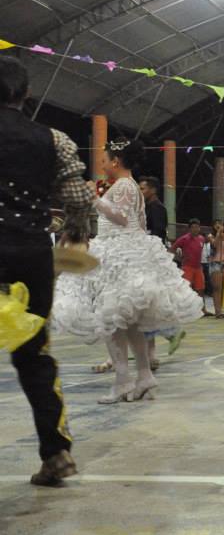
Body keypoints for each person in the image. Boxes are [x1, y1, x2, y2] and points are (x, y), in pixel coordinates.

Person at [0, 55, 94, 486]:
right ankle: (56, 454)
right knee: (34, 355)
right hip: (31, 255)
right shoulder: (54, 140)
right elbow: (79, 200)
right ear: (26, 94)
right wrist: (71, 229)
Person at [50, 140, 203, 403]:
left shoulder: (123, 185)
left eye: (104, 160)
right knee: (128, 322)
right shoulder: (130, 186)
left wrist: (94, 198)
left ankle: (123, 380)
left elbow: (120, 218)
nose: (102, 165)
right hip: (127, 251)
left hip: (119, 253)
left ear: (115, 161)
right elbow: (138, 223)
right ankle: (143, 376)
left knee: (112, 320)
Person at [138, 176, 186, 370]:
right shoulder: (145, 207)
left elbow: (157, 234)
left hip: (152, 259)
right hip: (146, 258)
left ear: (153, 190)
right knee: (146, 306)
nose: (140, 192)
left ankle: (169, 335)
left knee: (151, 304)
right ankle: (162, 341)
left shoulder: (157, 208)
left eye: (143, 188)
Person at [172, 219, 211, 316]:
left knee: (201, 289)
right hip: (187, 267)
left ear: (199, 228)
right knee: (186, 290)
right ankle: (186, 311)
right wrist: (178, 258)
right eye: (193, 227)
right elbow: (172, 249)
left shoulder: (202, 239)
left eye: (197, 227)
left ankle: (203, 310)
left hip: (198, 268)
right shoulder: (184, 238)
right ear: (189, 229)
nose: (195, 229)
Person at [207, 219, 224, 317]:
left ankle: (221, 310)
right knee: (217, 288)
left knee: (223, 289)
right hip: (215, 263)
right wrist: (219, 233)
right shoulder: (210, 236)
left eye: (220, 223)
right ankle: (217, 312)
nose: (218, 225)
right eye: (216, 224)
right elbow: (214, 244)